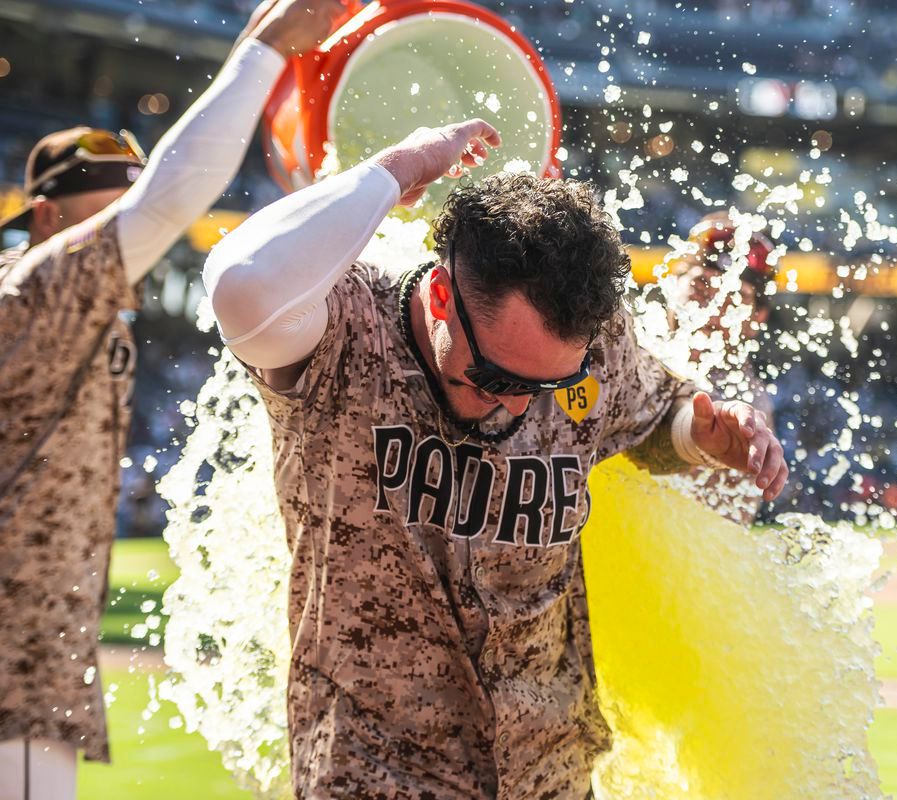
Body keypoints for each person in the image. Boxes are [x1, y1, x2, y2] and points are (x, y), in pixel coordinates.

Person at [202, 120, 789, 798]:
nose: (517, 408)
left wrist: (701, 436)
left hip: (549, 773)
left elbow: (650, 415)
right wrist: (397, 166)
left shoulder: (596, 341)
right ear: (443, 297)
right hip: (374, 772)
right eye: (501, 379)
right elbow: (241, 284)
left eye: (552, 386)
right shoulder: (343, 329)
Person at [0, 2, 344, 796]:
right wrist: (260, 52)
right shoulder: (29, 296)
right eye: (102, 218)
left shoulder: (78, 312)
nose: (131, 236)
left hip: (37, 666)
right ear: (47, 218)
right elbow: (168, 201)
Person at [669, 211, 778, 526]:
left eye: (732, 298)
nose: (712, 310)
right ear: (673, 284)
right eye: (702, 286)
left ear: (758, 318)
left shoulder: (746, 407)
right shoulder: (635, 344)